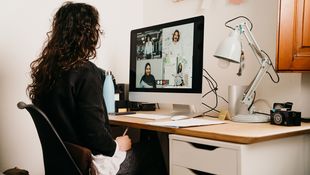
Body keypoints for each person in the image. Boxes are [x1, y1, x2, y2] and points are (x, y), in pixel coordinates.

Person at [27, 2, 166, 175]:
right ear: (89, 33)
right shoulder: (85, 72)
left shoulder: (46, 72)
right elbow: (95, 136)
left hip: (68, 164)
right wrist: (118, 145)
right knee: (152, 152)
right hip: (89, 166)